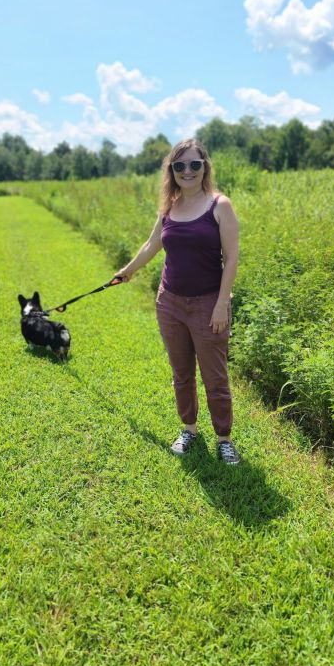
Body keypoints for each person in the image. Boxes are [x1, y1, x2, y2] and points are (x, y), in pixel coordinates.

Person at [116, 138, 241, 464]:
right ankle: (189, 429)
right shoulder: (169, 207)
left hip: (207, 304)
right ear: (172, 170)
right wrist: (127, 271)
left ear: (205, 168)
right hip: (169, 302)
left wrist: (221, 303)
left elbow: (232, 259)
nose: (187, 171)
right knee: (181, 373)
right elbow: (150, 245)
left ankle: (224, 438)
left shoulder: (220, 206)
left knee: (215, 377)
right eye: (180, 165)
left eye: (194, 164)